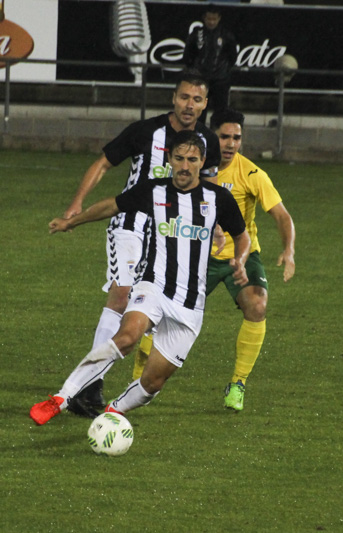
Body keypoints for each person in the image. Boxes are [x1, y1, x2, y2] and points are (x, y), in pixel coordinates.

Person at [30, 130, 250, 425]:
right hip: (153, 286)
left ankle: (113, 412)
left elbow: (242, 235)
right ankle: (61, 397)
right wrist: (72, 223)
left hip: (189, 306)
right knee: (127, 337)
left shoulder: (218, 198)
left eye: (192, 159)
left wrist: (241, 259)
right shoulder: (154, 191)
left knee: (153, 383)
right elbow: (112, 205)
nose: (185, 166)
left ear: (202, 162)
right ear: (170, 159)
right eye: (179, 158)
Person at [61, 69, 222, 419]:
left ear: (205, 103)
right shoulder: (146, 131)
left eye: (196, 99)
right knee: (121, 294)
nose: (189, 105)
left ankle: (99, 383)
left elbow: (211, 189)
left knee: (148, 309)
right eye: (183, 97)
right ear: (173, 98)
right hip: (130, 224)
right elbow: (104, 162)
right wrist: (78, 204)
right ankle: (90, 387)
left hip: (171, 233)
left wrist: (218, 226)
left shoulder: (208, 141)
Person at [132, 108, 296, 411]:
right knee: (154, 318)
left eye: (236, 138)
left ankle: (238, 383)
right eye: (224, 137)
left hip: (240, 255)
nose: (231, 144)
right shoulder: (191, 168)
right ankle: (138, 381)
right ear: (212, 137)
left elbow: (282, 216)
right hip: (193, 255)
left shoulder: (252, 173)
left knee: (257, 305)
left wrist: (289, 250)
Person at [183, 6, 238, 125]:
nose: (211, 22)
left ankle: (217, 140)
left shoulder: (226, 35)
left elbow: (232, 57)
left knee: (220, 113)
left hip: (220, 80)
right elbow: (187, 56)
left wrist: (223, 71)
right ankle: (198, 139)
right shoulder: (197, 34)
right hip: (201, 81)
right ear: (204, 18)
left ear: (219, 18)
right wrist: (195, 71)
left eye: (214, 19)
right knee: (199, 111)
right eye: (209, 19)